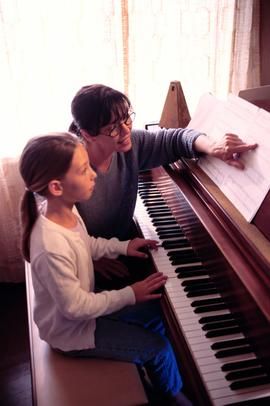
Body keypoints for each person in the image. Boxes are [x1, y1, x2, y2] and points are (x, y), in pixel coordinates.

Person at [19, 132, 192, 406]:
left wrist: (124, 246)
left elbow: (86, 243)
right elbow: (76, 308)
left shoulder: (64, 210)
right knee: (159, 348)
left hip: (83, 313)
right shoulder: (50, 244)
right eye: (83, 170)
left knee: (159, 313)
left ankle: (149, 365)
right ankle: (170, 395)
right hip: (73, 334)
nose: (94, 175)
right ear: (56, 187)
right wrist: (129, 294)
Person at [68, 84, 258, 282]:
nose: (125, 131)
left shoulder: (131, 143)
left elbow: (175, 138)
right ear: (88, 134)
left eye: (126, 118)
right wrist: (90, 259)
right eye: (112, 128)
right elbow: (43, 234)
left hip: (125, 249)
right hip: (86, 270)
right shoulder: (65, 167)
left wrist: (213, 147)